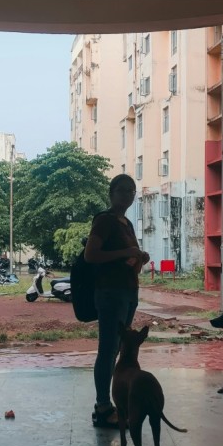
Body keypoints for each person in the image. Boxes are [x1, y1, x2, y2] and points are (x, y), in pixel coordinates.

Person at [84, 173, 149, 428]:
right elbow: (91, 255)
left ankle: (114, 402)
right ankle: (102, 407)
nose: (128, 195)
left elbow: (128, 263)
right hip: (110, 293)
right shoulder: (105, 221)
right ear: (111, 193)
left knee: (119, 350)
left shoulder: (127, 224)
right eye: (122, 190)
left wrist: (138, 258)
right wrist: (127, 252)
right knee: (108, 350)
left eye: (132, 190)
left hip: (128, 292)